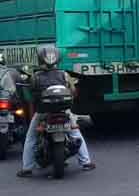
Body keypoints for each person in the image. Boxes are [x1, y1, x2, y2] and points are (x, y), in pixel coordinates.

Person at [16, 45, 93, 177]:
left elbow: (31, 95)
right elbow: (73, 92)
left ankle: (27, 168)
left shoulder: (35, 77)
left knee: (31, 137)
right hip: (64, 111)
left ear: (40, 59)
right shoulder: (64, 74)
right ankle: (86, 162)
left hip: (43, 112)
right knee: (75, 132)